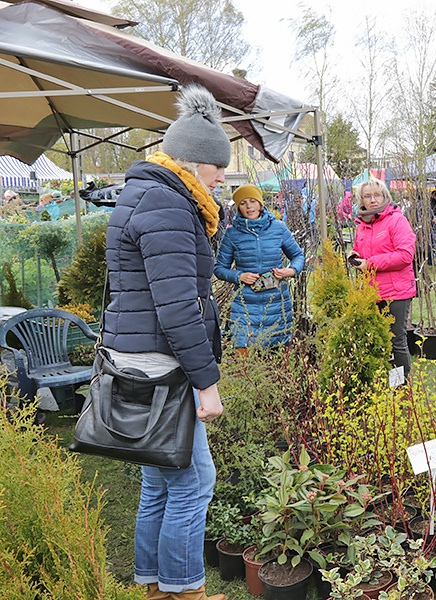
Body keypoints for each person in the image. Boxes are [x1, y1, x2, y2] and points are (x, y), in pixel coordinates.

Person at [102, 85, 230, 600]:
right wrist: (207, 383)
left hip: (135, 357)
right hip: (162, 365)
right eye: (217, 167)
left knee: (158, 482)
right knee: (195, 483)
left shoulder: (144, 192)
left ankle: (154, 588)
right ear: (195, 162)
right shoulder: (170, 205)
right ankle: (185, 592)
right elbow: (177, 308)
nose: (223, 176)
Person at [214, 184, 304, 350]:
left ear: (261, 203)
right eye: (243, 203)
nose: (249, 207)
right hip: (245, 305)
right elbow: (219, 268)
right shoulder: (232, 234)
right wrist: (239, 276)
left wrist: (290, 271)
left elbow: (298, 256)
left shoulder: (279, 228)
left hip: (277, 304)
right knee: (243, 355)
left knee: (277, 359)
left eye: (253, 201)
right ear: (238, 207)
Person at [347, 177, 416, 378]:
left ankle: (399, 388)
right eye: (368, 196)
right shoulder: (363, 224)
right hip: (371, 291)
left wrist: (371, 263)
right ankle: (382, 382)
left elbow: (405, 255)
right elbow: (362, 251)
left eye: (377, 195)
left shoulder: (396, 220)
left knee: (396, 341)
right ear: (361, 200)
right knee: (377, 338)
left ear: (385, 196)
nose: (373, 200)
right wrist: (355, 255)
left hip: (396, 292)